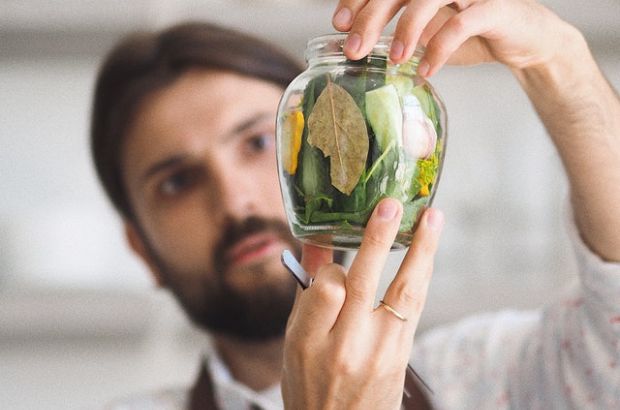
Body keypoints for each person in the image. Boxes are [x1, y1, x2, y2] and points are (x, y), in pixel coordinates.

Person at [91, 1, 620, 409]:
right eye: (178, 181)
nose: (236, 200)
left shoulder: (482, 375)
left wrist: (559, 65)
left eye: (257, 143)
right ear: (140, 248)